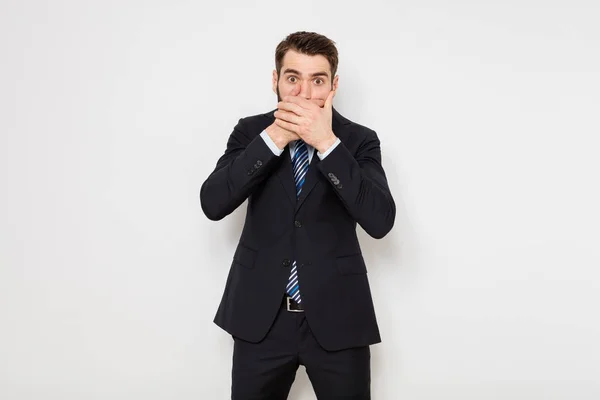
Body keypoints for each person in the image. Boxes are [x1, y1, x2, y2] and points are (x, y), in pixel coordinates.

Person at [200, 31, 396, 399]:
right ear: (275, 81)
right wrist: (274, 137)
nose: (305, 93)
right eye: (293, 78)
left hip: (339, 317)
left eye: (317, 80)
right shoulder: (250, 132)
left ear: (334, 85)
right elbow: (213, 203)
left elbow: (380, 220)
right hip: (262, 317)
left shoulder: (358, 140)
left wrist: (327, 143)